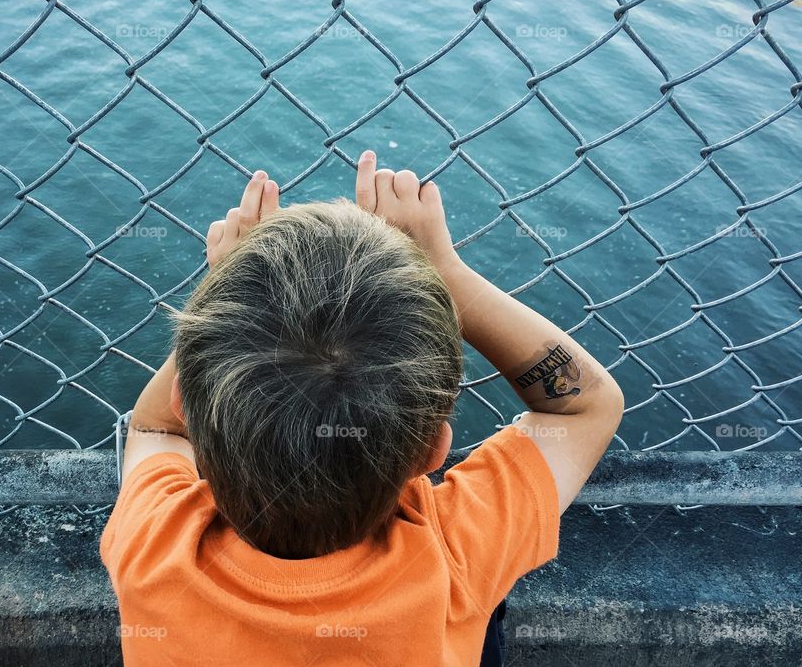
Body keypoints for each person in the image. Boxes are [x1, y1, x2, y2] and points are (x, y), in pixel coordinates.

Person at [100, 150, 624, 666]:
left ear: (184, 406)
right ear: (434, 451)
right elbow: (584, 406)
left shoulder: (154, 545)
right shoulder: (456, 552)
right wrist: (447, 273)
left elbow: (154, 428)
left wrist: (222, 301)